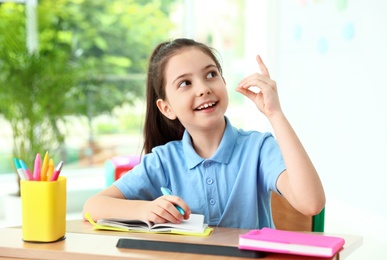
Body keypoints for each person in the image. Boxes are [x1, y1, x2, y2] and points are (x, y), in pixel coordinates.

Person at [83, 38, 325, 229]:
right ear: (166, 108)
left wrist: (275, 114)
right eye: (185, 83)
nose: (203, 89)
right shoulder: (163, 161)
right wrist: (145, 210)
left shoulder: (259, 148)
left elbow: (311, 203)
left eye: (211, 74)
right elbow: (92, 206)